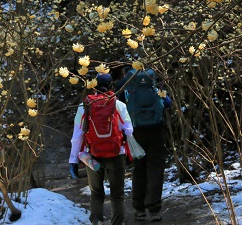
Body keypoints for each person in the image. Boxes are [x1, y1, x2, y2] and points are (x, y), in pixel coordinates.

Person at [69, 74, 134, 225]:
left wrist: (73, 160)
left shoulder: (84, 106)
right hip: (116, 154)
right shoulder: (119, 105)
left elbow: (77, 135)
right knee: (117, 194)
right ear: (112, 86)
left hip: (93, 154)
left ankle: (97, 221)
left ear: (94, 86)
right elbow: (129, 131)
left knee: (96, 192)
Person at [115, 66, 173, 222]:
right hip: (156, 132)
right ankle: (154, 209)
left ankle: (139, 209)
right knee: (155, 170)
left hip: (136, 132)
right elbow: (168, 103)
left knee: (139, 169)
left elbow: (118, 105)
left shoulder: (127, 87)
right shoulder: (154, 87)